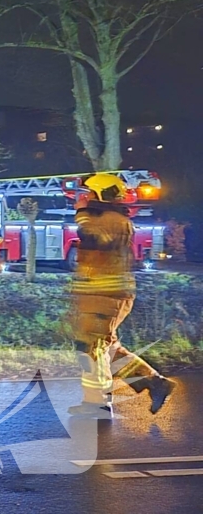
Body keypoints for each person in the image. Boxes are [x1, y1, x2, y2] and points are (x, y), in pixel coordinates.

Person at [68, 173, 176, 418]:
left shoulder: (113, 220)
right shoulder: (110, 218)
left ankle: (98, 404)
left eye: (90, 193)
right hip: (100, 296)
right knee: (108, 348)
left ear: (100, 194)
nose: (85, 197)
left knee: (91, 348)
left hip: (106, 296)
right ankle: (155, 383)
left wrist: (82, 212)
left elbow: (94, 238)